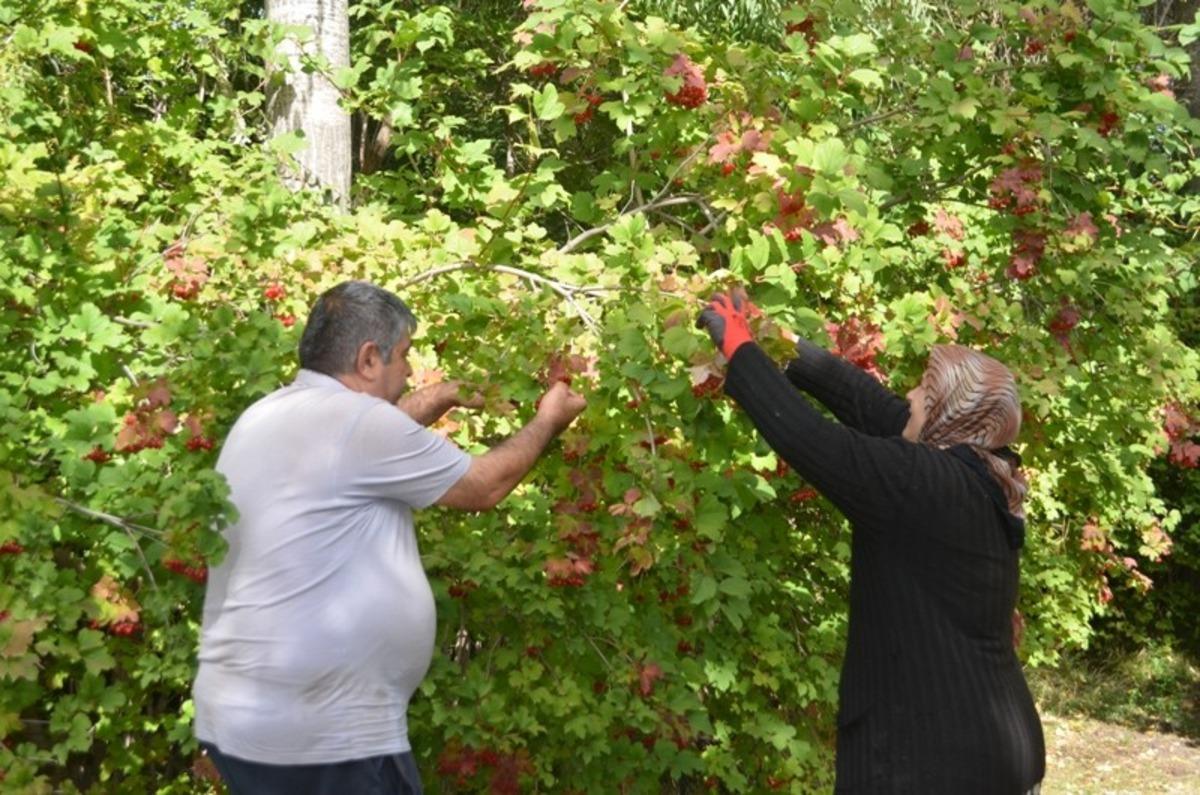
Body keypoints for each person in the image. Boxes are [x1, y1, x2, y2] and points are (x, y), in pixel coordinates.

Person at [192, 280, 586, 795]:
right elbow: (485, 486)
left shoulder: (271, 415)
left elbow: (356, 447)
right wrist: (547, 422)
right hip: (325, 731)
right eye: (403, 356)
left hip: (248, 717)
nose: (409, 371)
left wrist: (441, 397)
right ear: (369, 358)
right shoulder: (357, 424)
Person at [696, 289, 1044, 794]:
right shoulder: (981, 470)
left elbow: (806, 437)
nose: (912, 398)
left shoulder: (927, 486)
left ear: (950, 410)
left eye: (926, 391)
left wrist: (741, 349)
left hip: (937, 764)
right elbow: (876, 407)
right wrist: (787, 346)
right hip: (992, 748)